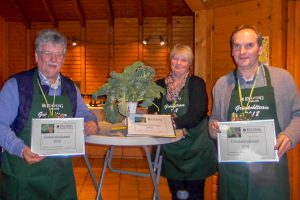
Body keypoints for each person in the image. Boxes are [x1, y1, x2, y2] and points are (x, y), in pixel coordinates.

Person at [0, 29, 98, 199]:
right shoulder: (16, 85)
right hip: (23, 175)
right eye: (48, 53)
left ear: (63, 59)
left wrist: (91, 122)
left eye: (59, 54)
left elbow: (85, 113)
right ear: (37, 56)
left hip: (61, 178)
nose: (53, 59)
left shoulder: (70, 87)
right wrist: (20, 149)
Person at [209, 25, 300, 200]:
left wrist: (290, 135)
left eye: (249, 45)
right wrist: (213, 128)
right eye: (237, 46)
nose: (242, 51)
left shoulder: (282, 79)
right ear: (232, 51)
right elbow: (215, 118)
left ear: (260, 48)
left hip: (270, 170)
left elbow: (298, 114)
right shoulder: (222, 84)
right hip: (232, 171)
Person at [148, 44, 217, 200]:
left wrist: (172, 124)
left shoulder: (196, 83)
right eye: (175, 58)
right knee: (177, 193)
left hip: (195, 147)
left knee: (195, 194)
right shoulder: (158, 85)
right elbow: (153, 111)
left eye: (183, 60)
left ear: (189, 64)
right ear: (170, 61)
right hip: (171, 150)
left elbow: (198, 112)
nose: (178, 63)